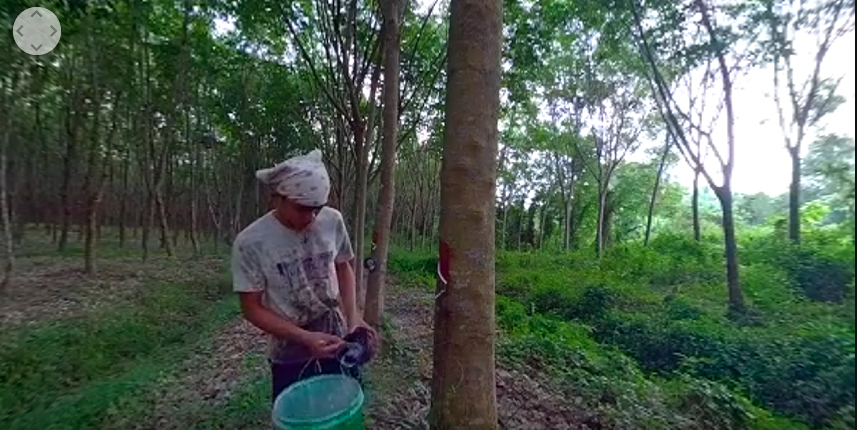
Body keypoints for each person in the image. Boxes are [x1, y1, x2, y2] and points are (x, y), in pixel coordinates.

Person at [231, 148, 378, 401]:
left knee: (342, 403)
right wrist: (304, 337)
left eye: (317, 208)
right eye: (302, 208)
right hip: (289, 342)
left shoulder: (333, 221)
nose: (311, 217)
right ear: (278, 198)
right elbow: (251, 308)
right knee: (298, 409)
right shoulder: (251, 242)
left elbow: (344, 266)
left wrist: (353, 318)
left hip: (335, 330)